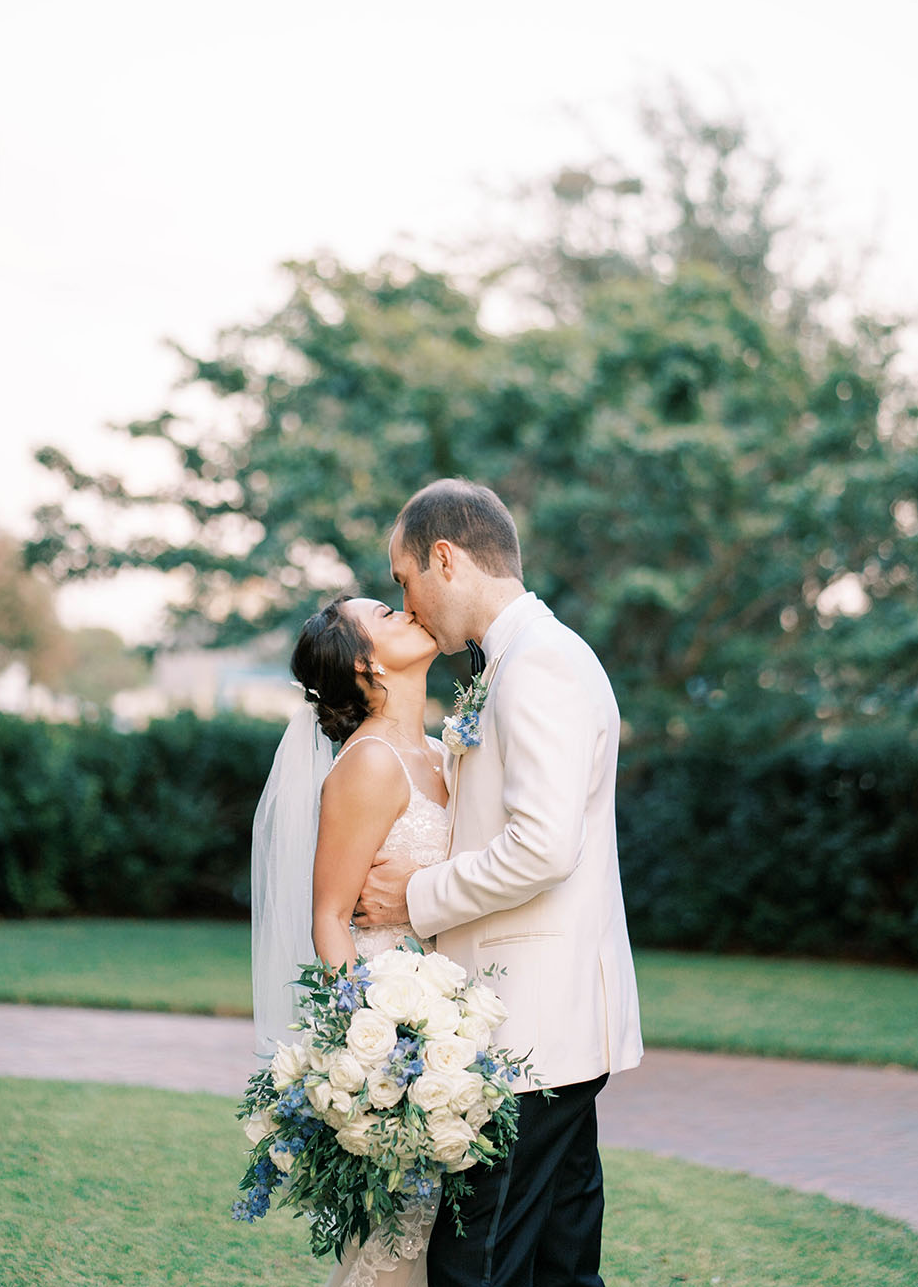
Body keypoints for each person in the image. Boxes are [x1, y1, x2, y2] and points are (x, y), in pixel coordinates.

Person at [353, 478, 643, 1287]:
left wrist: (416, 893)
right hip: (547, 1028)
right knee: (557, 1262)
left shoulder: (539, 665)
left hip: (534, 1030)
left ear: (444, 558)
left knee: (477, 1264)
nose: (405, 604)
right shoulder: (519, 661)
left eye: (404, 580)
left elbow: (542, 847)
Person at [250, 593, 451, 1287]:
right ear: (367, 662)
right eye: (386, 614)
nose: (407, 611)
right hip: (395, 1024)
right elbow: (331, 917)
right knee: (399, 1240)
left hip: (451, 1008)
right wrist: (370, 1046)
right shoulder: (366, 764)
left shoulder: (442, 751)